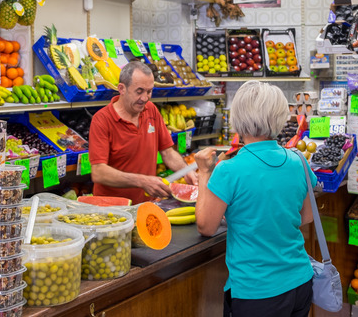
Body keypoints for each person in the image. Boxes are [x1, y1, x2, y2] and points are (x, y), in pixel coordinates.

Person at [193, 80, 316, 317]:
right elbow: (307, 217)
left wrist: (204, 173)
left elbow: (206, 226)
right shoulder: (299, 161)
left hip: (257, 292)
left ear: (238, 118)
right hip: (300, 282)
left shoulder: (229, 170)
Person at [89, 60, 196, 205]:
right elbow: (99, 172)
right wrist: (141, 181)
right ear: (122, 89)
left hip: (146, 205)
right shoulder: (102, 120)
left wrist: (186, 170)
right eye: (139, 92)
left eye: (149, 91)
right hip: (111, 208)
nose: (145, 98)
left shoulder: (151, 110)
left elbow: (167, 152)